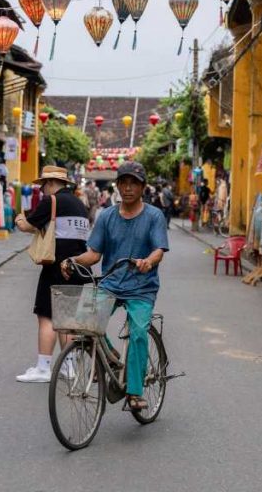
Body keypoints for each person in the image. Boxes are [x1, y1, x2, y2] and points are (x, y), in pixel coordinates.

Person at [61, 162, 169, 411]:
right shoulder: (106, 216)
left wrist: (148, 261)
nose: (128, 188)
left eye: (134, 183)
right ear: (118, 185)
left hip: (142, 286)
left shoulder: (154, 216)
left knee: (139, 331)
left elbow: (159, 250)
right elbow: (94, 254)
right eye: (124, 182)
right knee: (82, 322)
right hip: (111, 282)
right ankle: (110, 357)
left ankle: (134, 391)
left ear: (142, 187)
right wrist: (73, 260)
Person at [14, 166, 91, 383]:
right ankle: (69, 366)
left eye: (43, 186)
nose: (42, 190)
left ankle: (43, 368)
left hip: (56, 266)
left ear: (49, 183)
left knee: (47, 316)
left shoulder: (52, 201)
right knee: (66, 318)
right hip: (78, 266)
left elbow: (30, 225)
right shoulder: (80, 204)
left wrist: (20, 220)